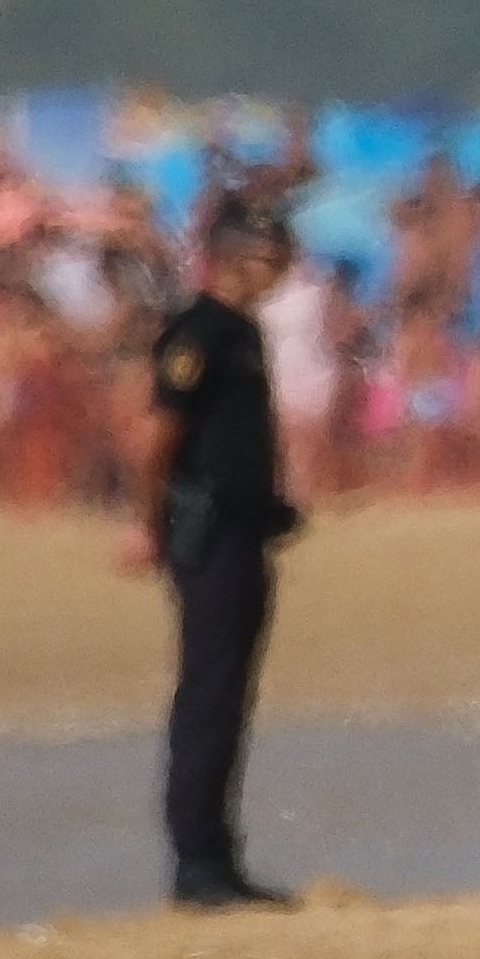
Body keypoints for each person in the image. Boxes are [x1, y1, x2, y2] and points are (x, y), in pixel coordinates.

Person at [127, 197, 306, 909]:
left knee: (232, 694)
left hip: (244, 528)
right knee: (206, 696)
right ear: (238, 259)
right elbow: (155, 441)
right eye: (272, 258)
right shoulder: (198, 333)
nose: (282, 272)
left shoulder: (242, 333)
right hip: (206, 532)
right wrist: (148, 527)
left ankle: (221, 858)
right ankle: (195, 863)